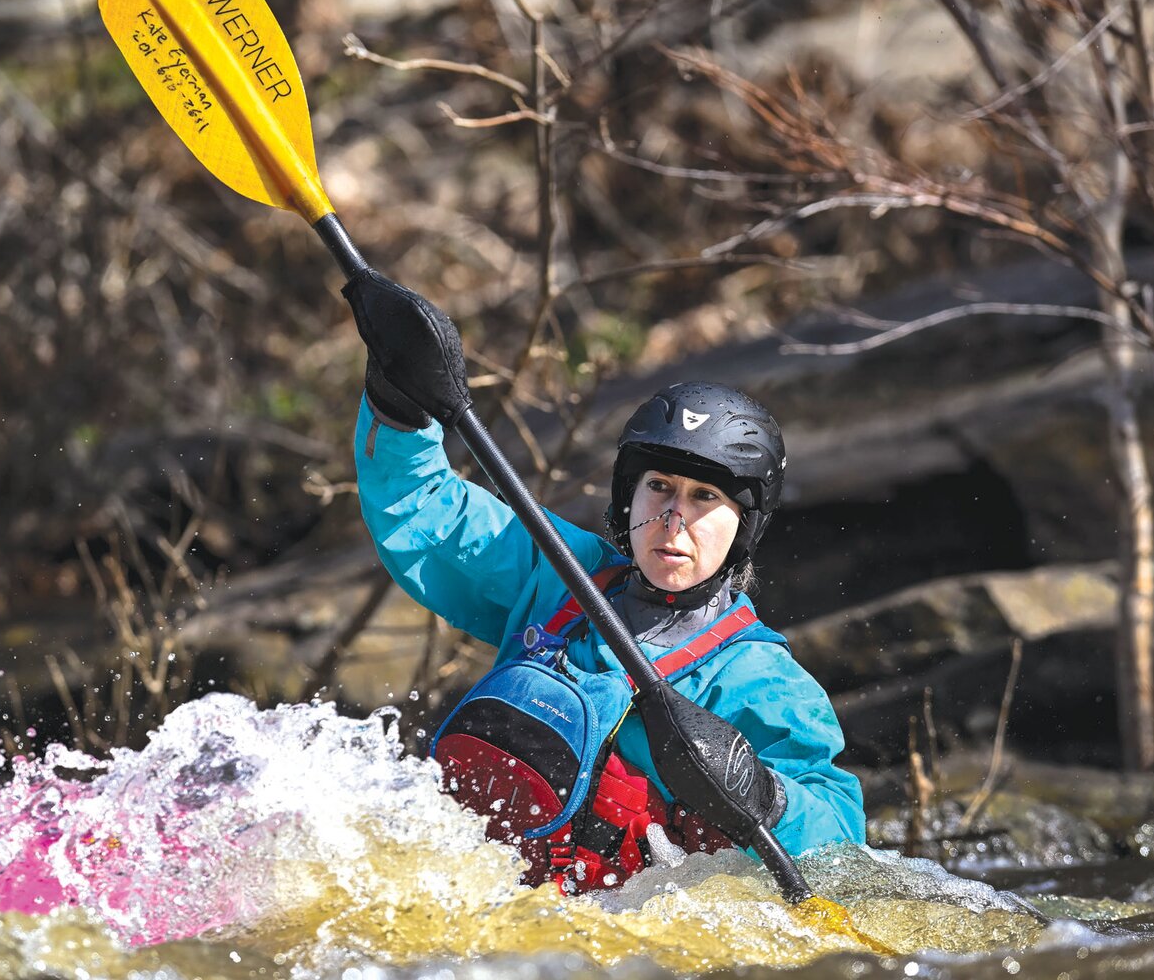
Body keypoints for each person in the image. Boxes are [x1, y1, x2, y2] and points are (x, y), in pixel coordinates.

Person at [345, 270, 865, 892]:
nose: (674, 519)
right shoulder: (562, 576)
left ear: (744, 526)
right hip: (478, 897)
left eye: (704, 498)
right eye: (660, 489)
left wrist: (763, 793)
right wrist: (398, 403)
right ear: (629, 500)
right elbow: (426, 509)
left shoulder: (760, 680)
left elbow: (841, 854)